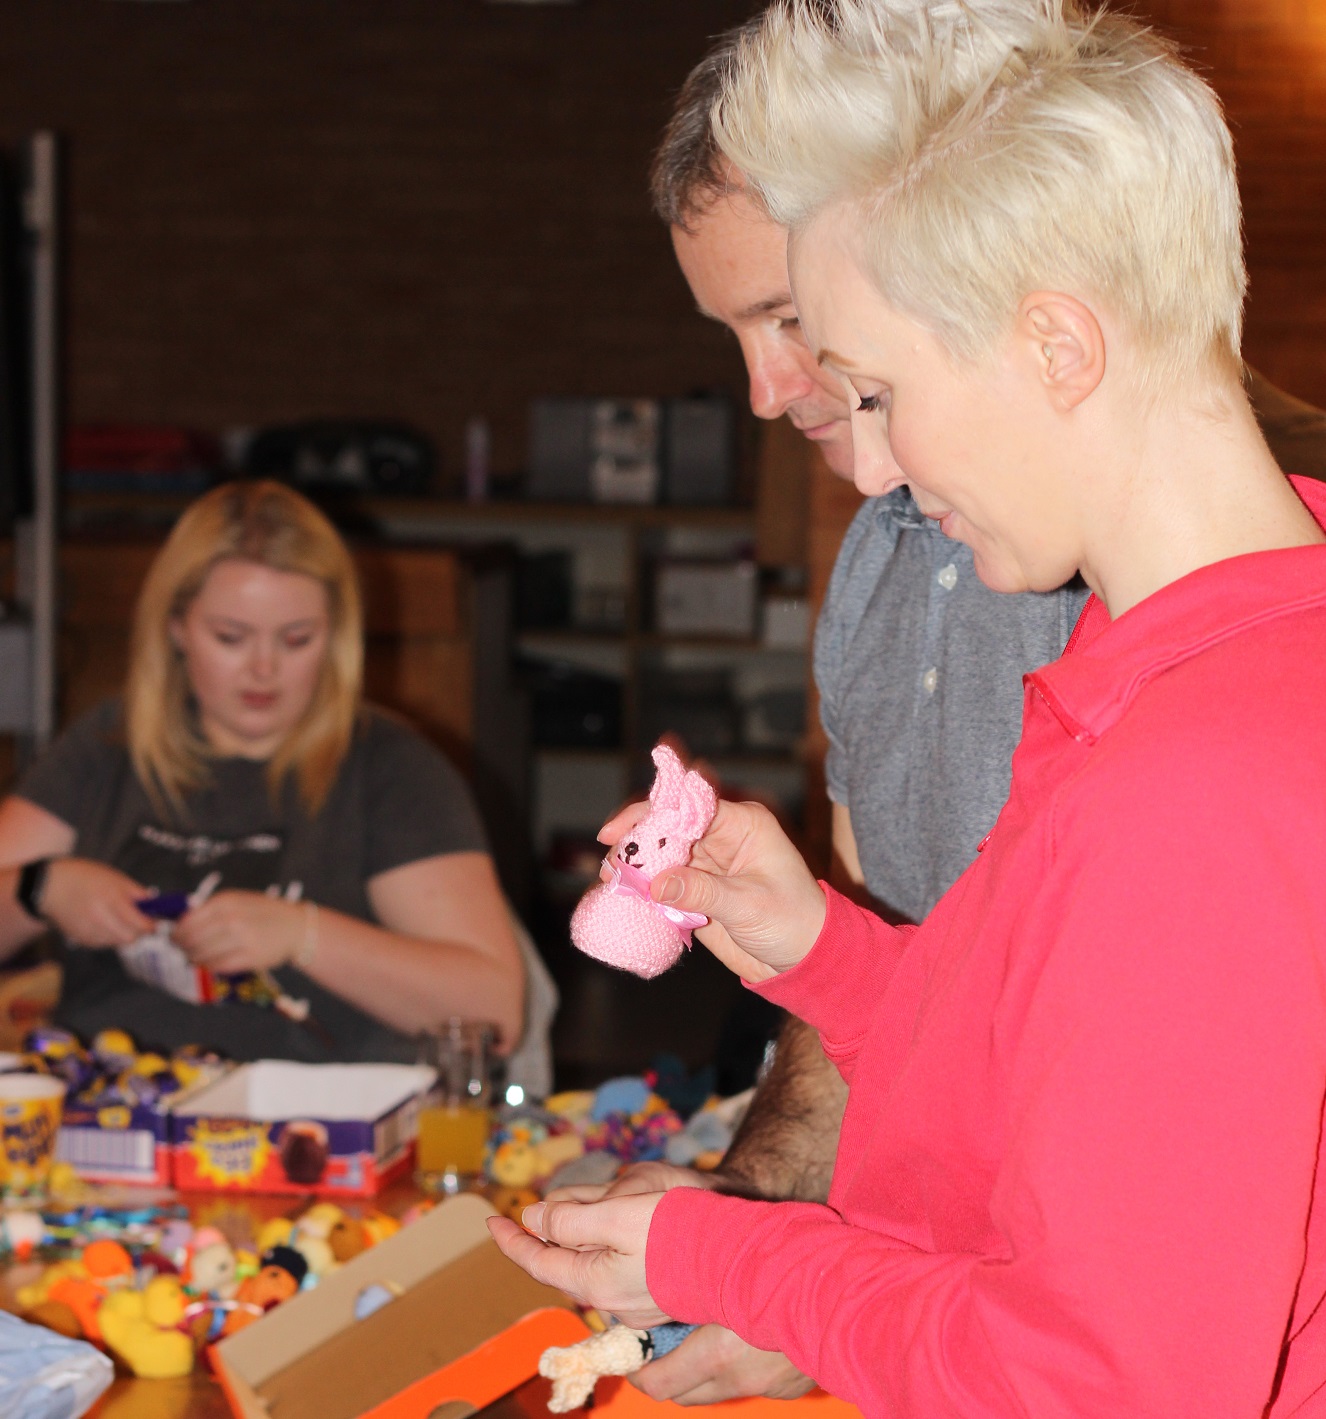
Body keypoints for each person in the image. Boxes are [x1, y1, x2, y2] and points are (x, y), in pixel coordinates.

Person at [491, 2, 1326, 1414]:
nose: (867, 456)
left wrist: (732, 1258)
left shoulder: (1197, 768)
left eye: (877, 388)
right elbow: (1037, 1082)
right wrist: (815, 944)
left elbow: (1109, 1382)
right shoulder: (1171, 655)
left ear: (1055, 346)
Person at [0, 480, 532, 1069]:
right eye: (230, 637)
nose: (263, 669)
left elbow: (494, 1011)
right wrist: (37, 888)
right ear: (176, 627)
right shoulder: (107, 746)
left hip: (317, 1129)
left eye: (297, 639)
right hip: (112, 1117)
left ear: (336, 637)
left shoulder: (390, 769)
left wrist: (303, 935)